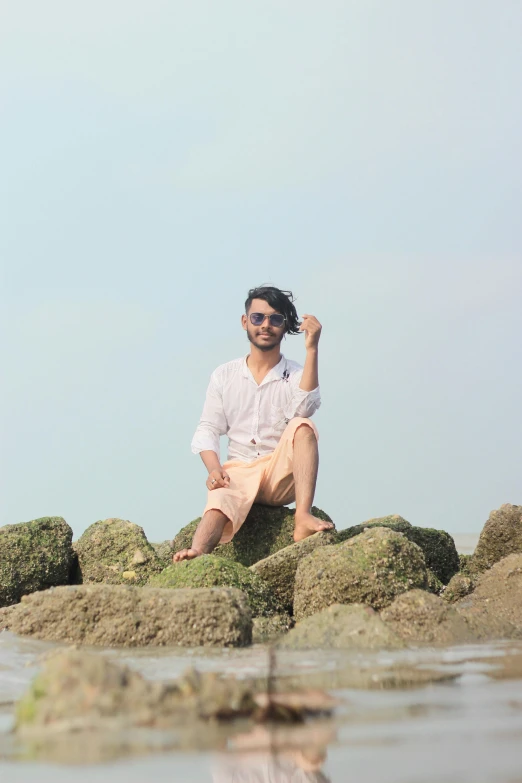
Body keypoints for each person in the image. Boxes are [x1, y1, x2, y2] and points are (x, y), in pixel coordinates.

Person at [173, 285, 334, 562]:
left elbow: (305, 408)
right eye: (258, 318)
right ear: (245, 322)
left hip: (278, 473)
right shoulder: (224, 375)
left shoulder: (295, 372)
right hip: (239, 471)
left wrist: (312, 350)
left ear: (286, 327)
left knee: (303, 427)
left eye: (276, 319)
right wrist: (214, 469)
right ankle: (197, 552)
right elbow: (208, 429)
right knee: (220, 497)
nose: (266, 325)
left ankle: (303, 516)